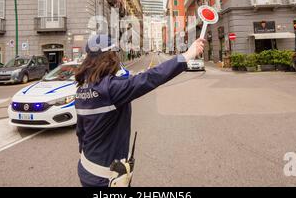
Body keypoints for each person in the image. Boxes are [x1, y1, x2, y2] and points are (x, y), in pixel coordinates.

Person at [74, 34, 205, 187]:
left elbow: (81, 132)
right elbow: (151, 77)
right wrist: (188, 54)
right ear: (110, 57)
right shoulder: (111, 89)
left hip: (86, 168)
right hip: (105, 178)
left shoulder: (82, 89)